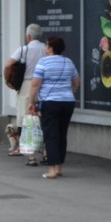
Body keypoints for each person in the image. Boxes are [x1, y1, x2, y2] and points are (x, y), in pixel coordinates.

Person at [28, 34, 80, 180]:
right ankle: (59, 167)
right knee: (62, 135)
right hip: (68, 102)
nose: (45, 47)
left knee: (51, 135)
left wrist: (32, 102)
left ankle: (52, 170)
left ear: (50, 48)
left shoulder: (43, 62)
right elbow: (76, 80)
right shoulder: (68, 62)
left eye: (46, 45)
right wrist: (70, 91)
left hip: (50, 103)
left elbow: (35, 84)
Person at [7, 25, 47, 157]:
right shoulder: (46, 48)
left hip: (27, 84)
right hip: (43, 84)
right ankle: (44, 149)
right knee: (40, 116)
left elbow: (8, 65)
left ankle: (23, 147)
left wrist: (8, 81)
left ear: (28, 36)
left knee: (23, 116)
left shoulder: (24, 49)